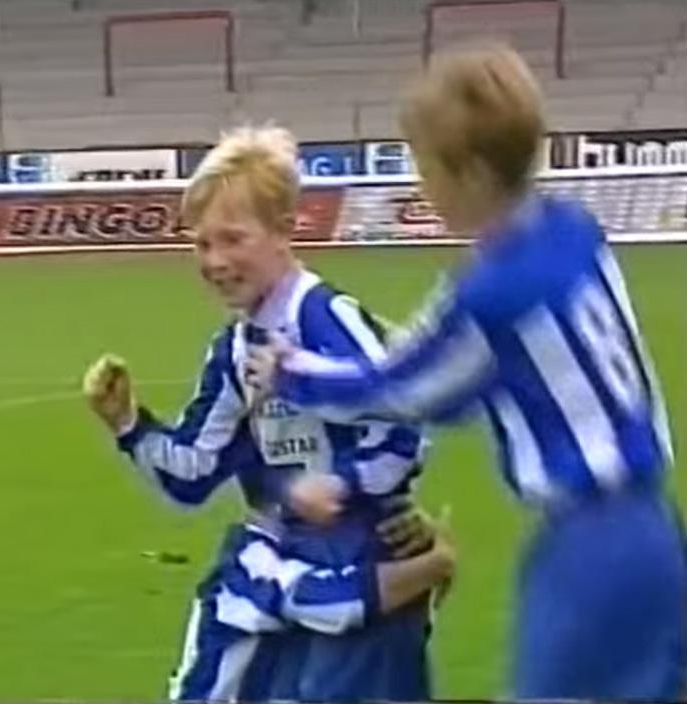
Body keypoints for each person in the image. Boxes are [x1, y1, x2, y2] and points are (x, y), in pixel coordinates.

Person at [246, 44, 687, 701]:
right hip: (657, 532)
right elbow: (478, 389)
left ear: (473, 174)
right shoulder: (575, 230)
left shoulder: (490, 294)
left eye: (426, 167)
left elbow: (398, 388)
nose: (423, 187)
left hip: (591, 555)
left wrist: (291, 371)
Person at [82, 125, 454, 702]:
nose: (214, 260)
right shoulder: (234, 348)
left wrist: (341, 483)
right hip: (289, 570)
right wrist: (128, 423)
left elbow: (406, 416)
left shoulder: (326, 317)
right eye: (201, 244)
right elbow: (193, 475)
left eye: (233, 239)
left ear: (285, 231)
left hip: (366, 560)